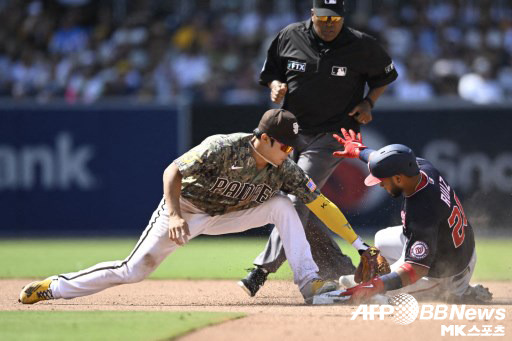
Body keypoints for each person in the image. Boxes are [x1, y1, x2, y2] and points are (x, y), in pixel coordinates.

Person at [19, 109, 373, 305]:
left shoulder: (284, 168)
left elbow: (321, 203)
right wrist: (173, 214)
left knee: (283, 204)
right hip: (185, 213)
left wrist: (359, 244)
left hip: (227, 216)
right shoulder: (223, 147)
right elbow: (173, 170)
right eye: (284, 145)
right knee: (133, 270)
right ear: (264, 139)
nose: (289, 152)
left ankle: (310, 284)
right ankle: (55, 287)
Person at [239, 0, 398, 296]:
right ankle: (342, 271)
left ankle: (262, 270)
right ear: (312, 15)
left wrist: (369, 102)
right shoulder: (289, 36)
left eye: (334, 19)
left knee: (297, 198)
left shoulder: (361, 45)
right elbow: (270, 73)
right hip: (291, 134)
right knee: (306, 210)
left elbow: (386, 76)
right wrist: (275, 85)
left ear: (343, 18)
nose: (328, 24)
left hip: (332, 135)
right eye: (323, 18)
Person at [333, 129, 492, 303]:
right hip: (451, 247)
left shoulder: (423, 209)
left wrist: (376, 286)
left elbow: (415, 269)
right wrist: (360, 151)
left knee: (375, 296)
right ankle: (380, 281)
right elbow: (387, 160)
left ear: (399, 179)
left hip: (446, 274)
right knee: (381, 239)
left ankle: (460, 293)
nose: (380, 185)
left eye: (382, 181)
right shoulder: (421, 168)